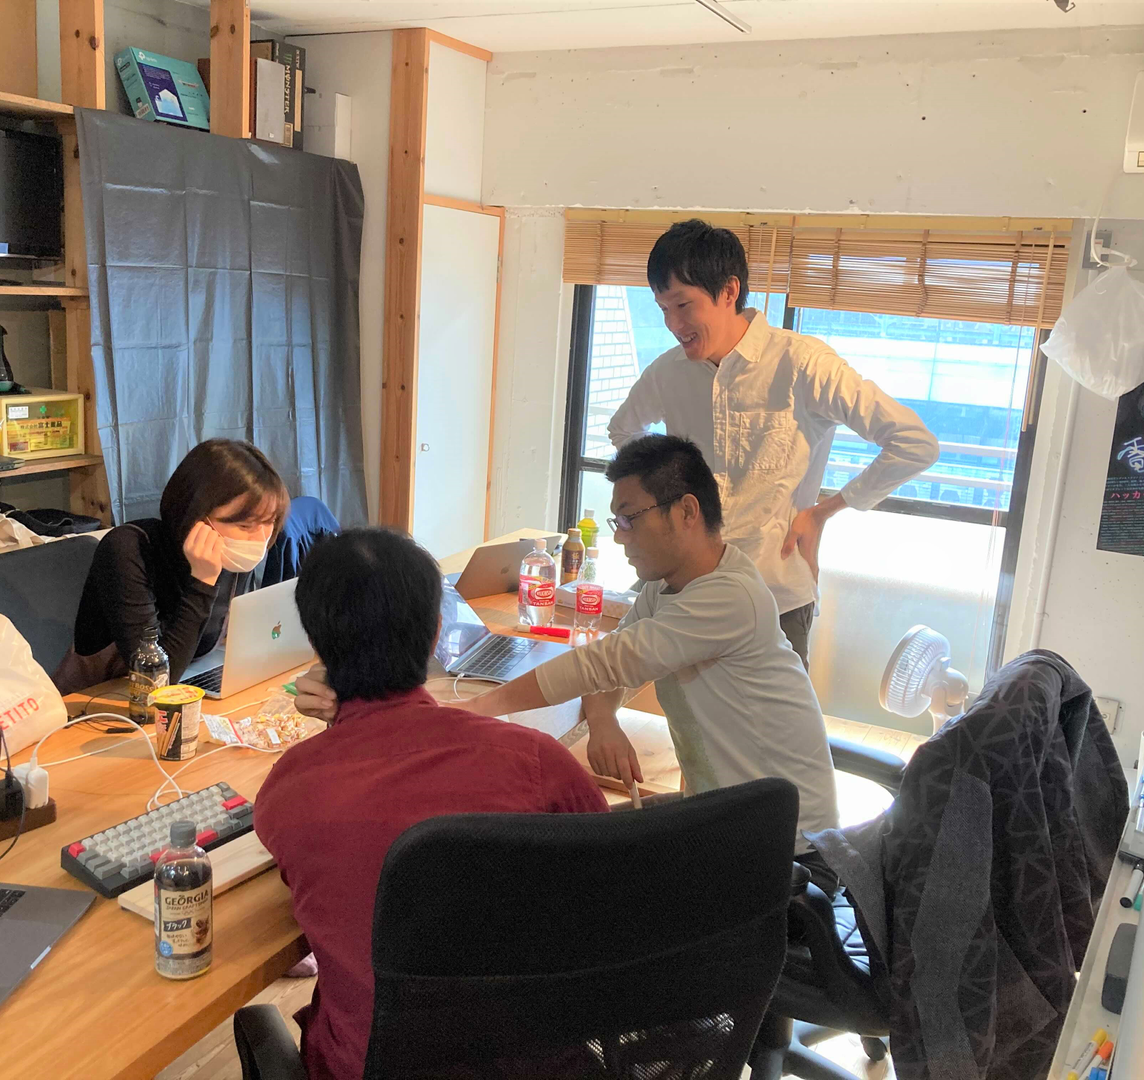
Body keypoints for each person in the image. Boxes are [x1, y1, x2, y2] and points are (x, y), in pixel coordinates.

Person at [295, 436, 839, 877]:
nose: (620, 537)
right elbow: (615, 656)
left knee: (565, 853)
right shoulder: (670, 584)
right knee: (581, 836)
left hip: (787, 850)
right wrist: (602, 720)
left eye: (629, 518)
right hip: (732, 814)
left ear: (687, 511)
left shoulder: (728, 597)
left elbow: (603, 663)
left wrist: (474, 711)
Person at [254, 528, 608, 1080]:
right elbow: (610, 891)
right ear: (437, 632)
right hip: (539, 1066)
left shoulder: (290, 790)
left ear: (318, 650)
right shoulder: (538, 763)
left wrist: (344, 723)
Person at [606, 219, 939, 664]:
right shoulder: (668, 372)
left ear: (729, 291)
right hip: (686, 589)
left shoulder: (803, 364)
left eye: (683, 305)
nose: (673, 324)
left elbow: (914, 443)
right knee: (671, 707)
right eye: (663, 309)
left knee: (776, 712)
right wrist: (664, 509)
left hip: (775, 595)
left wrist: (822, 513)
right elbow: (623, 430)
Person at [54, 439, 289, 693]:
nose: (260, 538)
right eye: (244, 526)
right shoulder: (128, 549)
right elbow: (157, 679)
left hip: (188, 681)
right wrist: (203, 583)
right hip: (104, 698)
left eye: (269, 522)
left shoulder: (234, 556)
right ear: (196, 515)